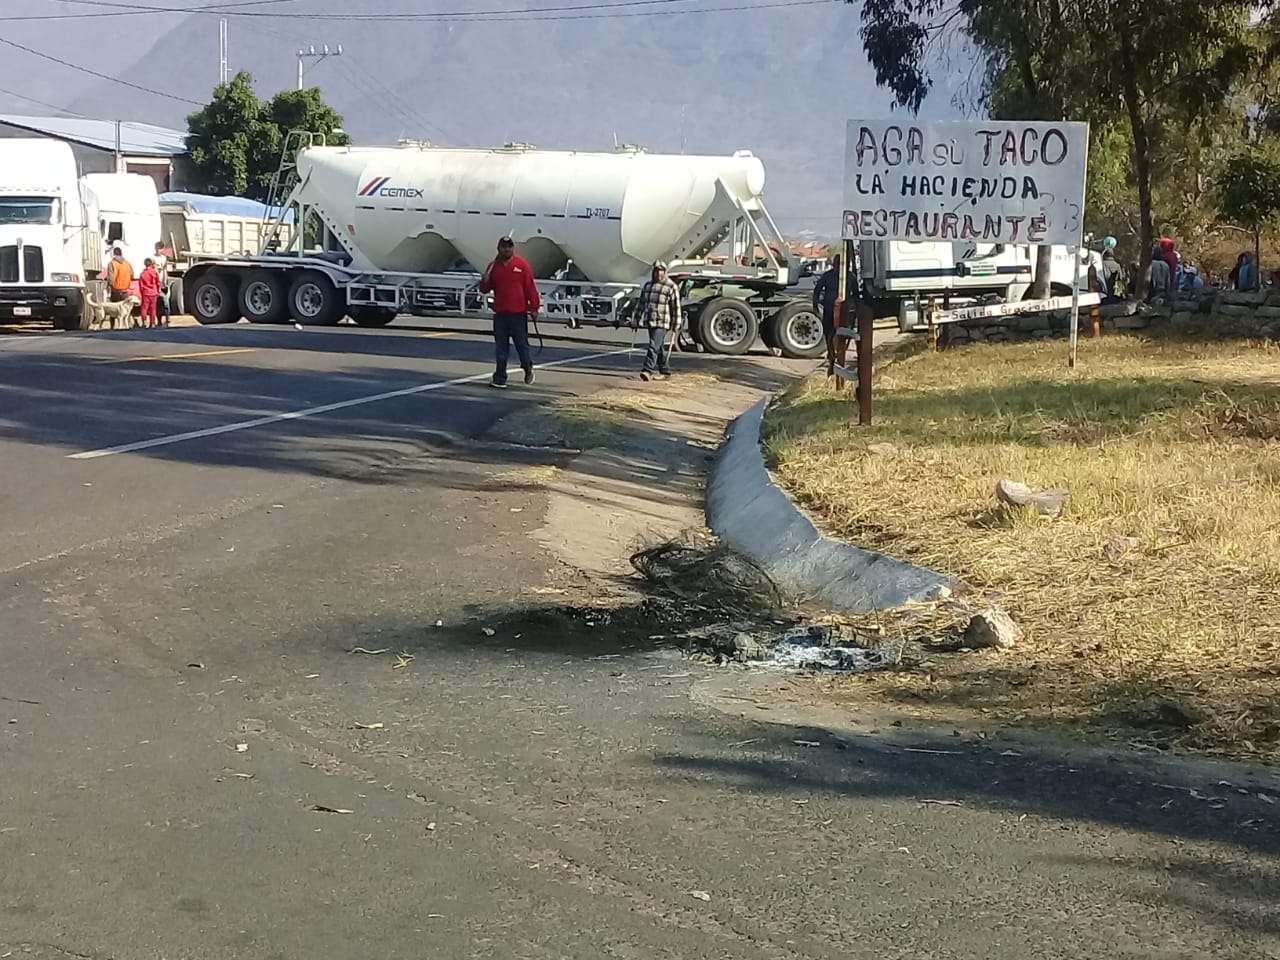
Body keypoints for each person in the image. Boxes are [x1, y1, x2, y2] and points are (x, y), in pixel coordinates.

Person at [478, 236, 540, 388]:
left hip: (518, 313)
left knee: (522, 346)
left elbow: (530, 287)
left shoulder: (521, 265)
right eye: (504, 246)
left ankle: (527, 367)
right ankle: (500, 377)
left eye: (509, 246)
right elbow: (485, 289)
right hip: (501, 314)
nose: (507, 249)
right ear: (498, 248)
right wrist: (485, 280)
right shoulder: (493, 266)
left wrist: (534, 307)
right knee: (501, 347)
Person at [633, 260, 681, 381]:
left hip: (662, 321)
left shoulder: (670, 286)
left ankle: (647, 370)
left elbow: (676, 307)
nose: (659, 274)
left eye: (661, 271)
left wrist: (676, 324)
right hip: (650, 320)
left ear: (665, 272)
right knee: (658, 347)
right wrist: (636, 318)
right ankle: (665, 370)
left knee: (653, 345)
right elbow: (641, 303)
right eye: (657, 271)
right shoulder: (648, 286)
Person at [812, 254, 844, 372]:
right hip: (829, 308)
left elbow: (855, 294)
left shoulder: (849, 276)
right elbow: (817, 289)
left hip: (844, 310)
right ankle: (831, 353)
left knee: (842, 333)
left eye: (840, 263)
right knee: (828, 333)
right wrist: (815, 304)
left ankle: (839, 354)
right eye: (836, 263)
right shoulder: (827, 276)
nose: (837, 266)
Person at [138, 257, 161, 328]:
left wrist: (142, 292)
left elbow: (141, 285)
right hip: (154, 292)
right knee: (153, 308)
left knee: (144, 308)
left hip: (145, 293)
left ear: (145, 264)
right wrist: (158, 290)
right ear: (151, 264)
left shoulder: (142, 274)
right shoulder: (154, 272)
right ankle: (152, 322)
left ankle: (144, 322)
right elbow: (158, 282)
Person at [152, 242, 171, 325]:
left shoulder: (164, 258)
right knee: (158, 302)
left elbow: (165, 270)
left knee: (166, 301)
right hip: (156, 282)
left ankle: (167, 317)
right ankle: (159, 320)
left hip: (163, 282)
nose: (159, 250)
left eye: (160, 249)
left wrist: (166, 280)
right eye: (158, 249)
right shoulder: (152, 258)